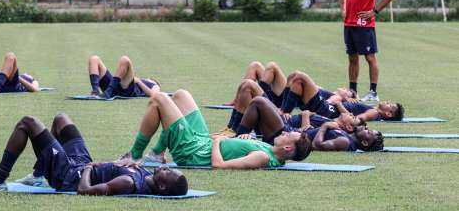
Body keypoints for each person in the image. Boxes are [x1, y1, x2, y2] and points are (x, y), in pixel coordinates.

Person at [0, 113, 188, 196]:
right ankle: (37, 176)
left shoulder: (129, 183)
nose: (166, 168)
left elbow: (85, 191)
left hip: (70, 176)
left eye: (167, 172)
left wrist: (86, 170)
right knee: (61, 119)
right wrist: (124, 161)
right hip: (82, 164)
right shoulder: (141, 174)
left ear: (161, 186)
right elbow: (114, 168)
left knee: (28, 122)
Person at [121, 90, 312, 169]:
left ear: (288, 148)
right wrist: (236, 137)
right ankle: (156, 154)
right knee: (181, 95)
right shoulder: (268, 148)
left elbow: (219, 166)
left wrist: (218, 142)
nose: (285, 132)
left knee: (159, 99)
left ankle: (134, 155)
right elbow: (236, 148)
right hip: (202, 143)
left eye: (289, 135)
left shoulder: (263, 157)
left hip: (194, 153)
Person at [339, 0, 396, 102]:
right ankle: (353, 91)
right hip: (349, 25)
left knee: (370, 58)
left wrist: (374, 11)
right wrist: (342, 9)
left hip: (364, 25)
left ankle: (373, 92)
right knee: (352, 58)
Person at [233, 98, 383, 152]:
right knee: (255, 97)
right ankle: (237, 135)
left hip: (287, 135)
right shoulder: (346, 136)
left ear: (364, 142)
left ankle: (238, 138)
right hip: (291, 131)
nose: (367, 128)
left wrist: (325, 127)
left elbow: (317, 145)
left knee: (259, 102)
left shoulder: (345, 141)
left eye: (369, 132)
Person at [282, 71, 404, 122]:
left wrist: (338, 103)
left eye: (390, 105)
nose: (387, 102)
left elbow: (355, 121)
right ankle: (283, 110)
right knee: (294, 77)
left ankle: (285, 111)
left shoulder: (374, 113)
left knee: (299, 77)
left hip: (327, 109)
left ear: (388, 114)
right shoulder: (371, 108)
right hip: (328, 106)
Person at [88, 55, 160, 98]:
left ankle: (108, 92)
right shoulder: (143, 80)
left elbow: (153, 95)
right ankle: (95, 92)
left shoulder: (155, 85)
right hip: (115, 84)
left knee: (125, 59)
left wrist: (139, 81)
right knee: (94, 59)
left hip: (125, 90)